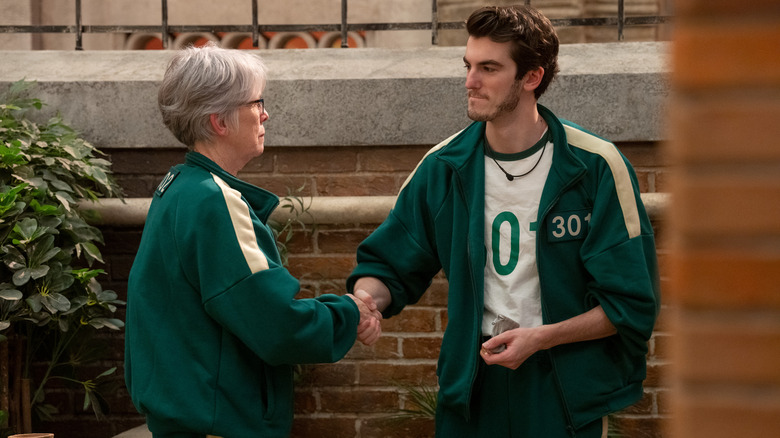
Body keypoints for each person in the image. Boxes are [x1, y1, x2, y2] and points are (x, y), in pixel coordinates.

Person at [348, 5, 659, 437]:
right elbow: (388, 264)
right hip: (472, 387)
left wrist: (542, 338)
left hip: (563, 388)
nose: (469, 82)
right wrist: (367, 302)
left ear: (531, 77)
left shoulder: (596, 167)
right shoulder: (445, 166)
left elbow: (630, 305)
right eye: (469, 66)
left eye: (489, 68)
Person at [124, 43, 381, 438]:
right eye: (256, 102)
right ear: (219, 121)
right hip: (219, 424)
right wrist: (349, 313)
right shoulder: (214, 200)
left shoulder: (177, 189)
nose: (266, 113)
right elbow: (276, 324)